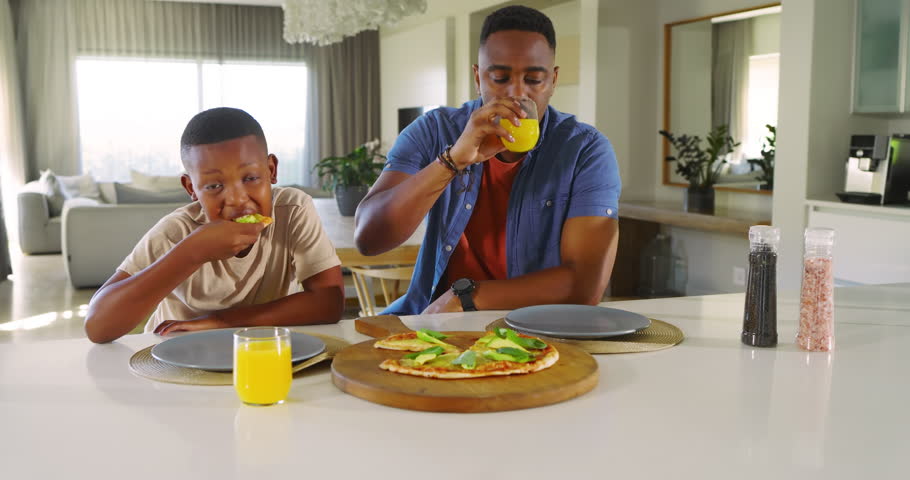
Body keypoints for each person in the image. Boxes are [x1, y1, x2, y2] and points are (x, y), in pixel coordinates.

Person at [354, 5, 621, 316]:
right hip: (428, 317)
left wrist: (466, 297)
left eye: (534, 79)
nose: (517, 93)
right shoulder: (433, 130)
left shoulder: (585, 151)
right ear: (478, 78)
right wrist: (452, 160)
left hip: (532, 327)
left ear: (553, 80)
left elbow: (584, 286)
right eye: (499, 78)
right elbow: (370, 240)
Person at [85, 107, 345, 343]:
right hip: (177, 356)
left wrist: (222, 322)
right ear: (191, 187)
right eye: (214, 186)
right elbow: (97, 326)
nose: (237, 199)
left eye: (251, 178)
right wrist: (192, 253)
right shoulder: (175, 232)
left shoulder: (292, 210)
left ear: (271, 170)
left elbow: (329, 302)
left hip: (259, 351)